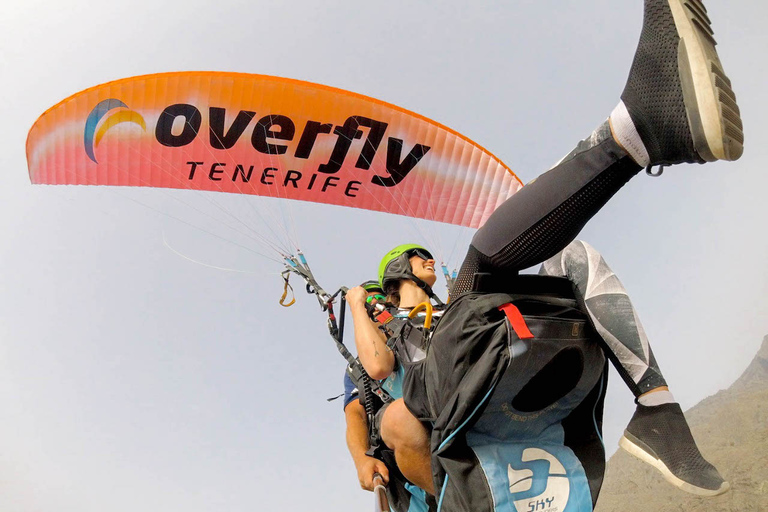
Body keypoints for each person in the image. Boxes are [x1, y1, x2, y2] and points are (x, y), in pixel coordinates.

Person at [347, 0, 742, 505]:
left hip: (476, 362)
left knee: (570, 257)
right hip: (433, 395)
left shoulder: (444, 303)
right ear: (398, 270)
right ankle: (638, 130)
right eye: (417, 256)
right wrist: (359, 304)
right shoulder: (383, 322)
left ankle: (658, 412)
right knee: (481, 266)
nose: (428, 259)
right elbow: (375, 379)